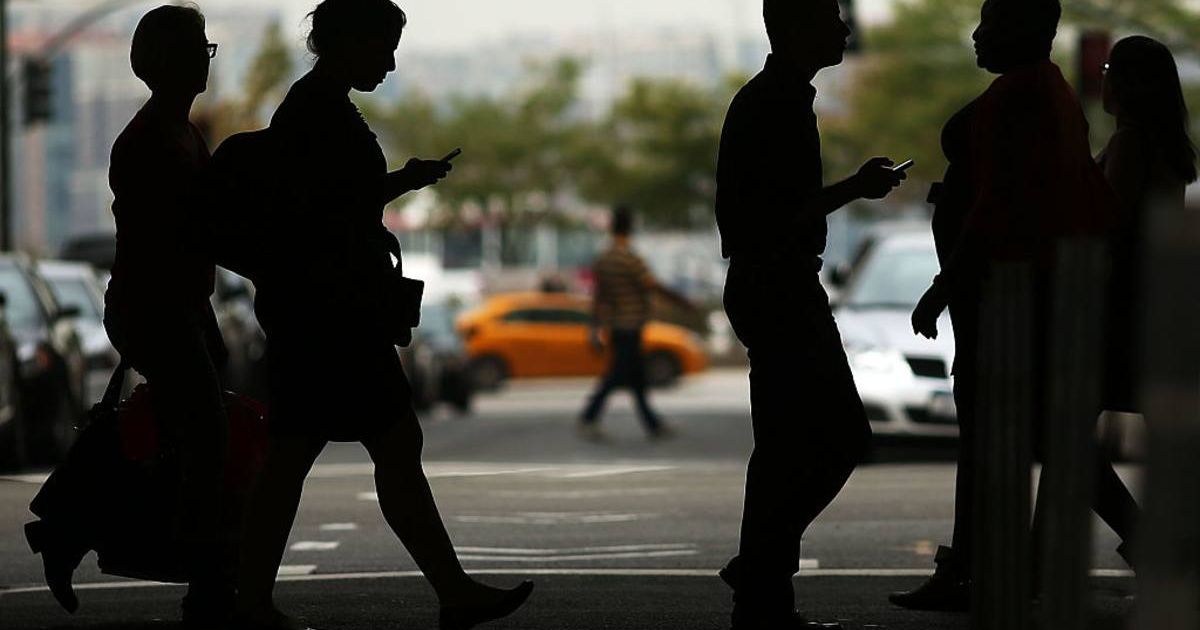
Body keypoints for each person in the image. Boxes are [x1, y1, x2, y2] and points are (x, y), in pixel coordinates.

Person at [233, 2, 532, 629]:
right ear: (347, 43)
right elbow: (325, 210)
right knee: (367, 446)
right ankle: (448, 592)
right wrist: (398, 183)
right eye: (383, 48)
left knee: (314, 451)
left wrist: (401, 181)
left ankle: (252, 598)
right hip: (329, 318)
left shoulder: (316, 106)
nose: (391, 62)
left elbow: (334, 201)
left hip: (320, 314)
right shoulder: (318, 111)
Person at [893, 0, 1139, 612]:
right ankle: (978, 565)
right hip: (1013, 292)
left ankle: (977, 567)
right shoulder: (1043, 92)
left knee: (1010, 437)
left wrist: (945, 283)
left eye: (991, 24)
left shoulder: (1024, 97)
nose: (978, 37)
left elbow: (1002, 205)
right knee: (1025, 438)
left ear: (1028, 30)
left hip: (1004, 297)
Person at [28, 5, 234, 627]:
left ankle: (67, 531)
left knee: (161, 440)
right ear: (167, 60)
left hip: (173, 307)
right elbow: (189, 232)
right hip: (158, 309)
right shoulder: (152, 142)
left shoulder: (179, 131)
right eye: (198, 46)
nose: (207, 57)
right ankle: (206, 587)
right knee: (205, 439)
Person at [713, 1, 906, 627]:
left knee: (781, 446)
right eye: (832, 16)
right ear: (796, 28)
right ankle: (761, 566)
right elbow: (775, 214)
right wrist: (855, 187)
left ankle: (763, 594)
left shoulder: (776, 98)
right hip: (779, 285)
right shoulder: (775, 106)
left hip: (767, 283)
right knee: (839, 436)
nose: (845, 28)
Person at [1098, 35, 1198, 415]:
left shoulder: (1130, 142)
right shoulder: (1163, 144)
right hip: (1149, 293)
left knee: (1062, 429)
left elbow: (1109, 218)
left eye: (1108, 70)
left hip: (1120, 298)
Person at [579, 205, 692, 441]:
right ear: (630, 227)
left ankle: (653, 425)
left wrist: (594, 328)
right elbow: (652, 285)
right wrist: (683, 303)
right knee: (617, 375)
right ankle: (589, 416)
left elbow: (599, 297)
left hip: (615, 325)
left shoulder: (604, 258)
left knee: (636, 378)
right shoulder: (629, 257)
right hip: (630, 325)